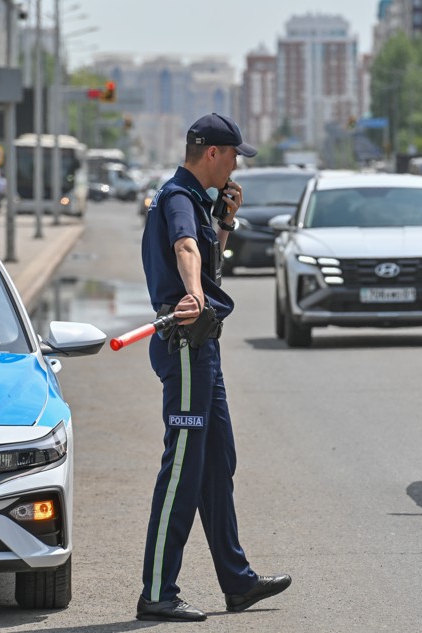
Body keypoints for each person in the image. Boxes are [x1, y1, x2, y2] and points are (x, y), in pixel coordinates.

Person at [136, 113, 291, 622]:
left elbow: (204, 251)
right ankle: (157, 591)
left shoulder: (199, 203)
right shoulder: (178, 199)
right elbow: (184, 249)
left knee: (216, 463)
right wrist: (196, 295)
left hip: (204, 346)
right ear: (212, 154)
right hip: (186, 343)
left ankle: (237, 581)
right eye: (233, 156)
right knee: (182, 467)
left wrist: (224, 223)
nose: (234, 166)